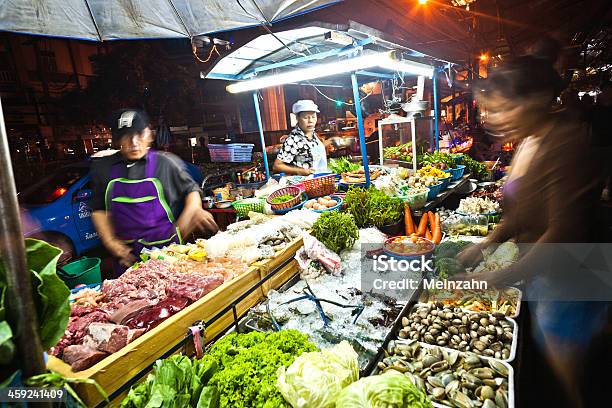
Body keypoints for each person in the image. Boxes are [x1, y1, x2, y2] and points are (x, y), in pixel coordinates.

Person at [457, 40, 609, 408]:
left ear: (538, 99)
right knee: (552, 371)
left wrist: (496, 278)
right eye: (490, 110)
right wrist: (486, 243)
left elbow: (563, 234)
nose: (494, 118)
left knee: (578, 384)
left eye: (504, 108)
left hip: (573, 281)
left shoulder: (566, 142)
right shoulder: (528, 139)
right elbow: (519, 212)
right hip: (543, 278)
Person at [90, 109, 218, 274]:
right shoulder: (104, 168)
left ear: (149, 134)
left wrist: (189, 218)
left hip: (167, 254)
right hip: (127, 259)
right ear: (117, 140)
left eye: (139, 134)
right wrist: (110, 242)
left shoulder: (166, 163)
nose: (134, 142)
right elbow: (98, 209)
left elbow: (192, 192)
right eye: (126, 136)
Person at [273, 100, 330, 176]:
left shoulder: (313, 135)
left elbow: (311, 150)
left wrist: (330, 141)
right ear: (297, 118)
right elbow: (277, 166)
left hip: (319, 180)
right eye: (306, 118)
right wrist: (299, 171)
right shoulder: (293, 139)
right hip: (303, 184)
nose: (310, 121)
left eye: (313, 117)